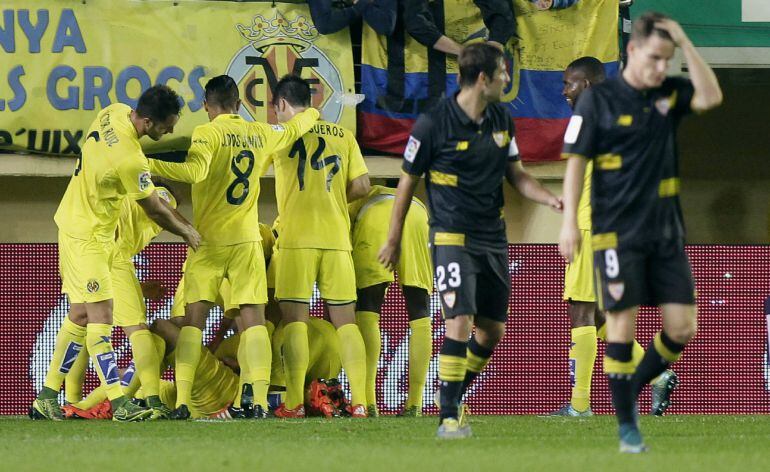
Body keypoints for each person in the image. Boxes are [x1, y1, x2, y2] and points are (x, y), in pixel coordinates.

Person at [379, 43, 562, 439]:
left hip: (492, 237)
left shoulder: (500, 118)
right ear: (484, 78)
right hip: (451, 234)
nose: (508, 79)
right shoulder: (433, 124)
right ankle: (447, 418)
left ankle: (453, 393)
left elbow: (517, 174)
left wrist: (547, 196)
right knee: (459, 319)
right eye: (504, 72)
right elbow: (407, 182)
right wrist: (392, 239)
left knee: (492, 329)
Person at [559, 13, 722, 453]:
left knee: (682, 327)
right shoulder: (600, 101)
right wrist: (568, 223)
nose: (658, 69)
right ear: (631, 51)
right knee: (618, 324)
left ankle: (630, 388)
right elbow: (575, 162)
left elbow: (711, 95)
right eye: (653, 59)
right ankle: (627, 427)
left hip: (667, 232)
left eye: (665, 61)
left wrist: (686, 43)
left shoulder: (668, 92)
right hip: (617, 233)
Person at [148, 75, 320, 419]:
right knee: (254, 323)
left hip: (208, 242)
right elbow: (292, 130)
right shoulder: (259, 132)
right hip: (246, 242)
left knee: (193, 323)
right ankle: (256, 402)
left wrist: (148, 165)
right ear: (239, 104)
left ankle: (182, 402)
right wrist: (312, 112)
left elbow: (194, 171)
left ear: (207, 106)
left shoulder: (207, 132)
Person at [30, 85, 201, 422]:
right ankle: (120, 403)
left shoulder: (114, 111)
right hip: (89, 237)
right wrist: (188, 231)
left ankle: (47, 396)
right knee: (100, 319)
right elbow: (154, 209)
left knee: (80, 315)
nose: (171, 130)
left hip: (76, 222)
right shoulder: (130, 158)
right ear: (149, 122)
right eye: (168, 124)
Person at [551, 57, 677, 418]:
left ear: (587, 85)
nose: (564, 92)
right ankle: (657, 375)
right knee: (602, 314)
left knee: (581, 310)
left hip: (592, 228)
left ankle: (579, 405)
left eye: (569, 84)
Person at [264, 74, 371, 418]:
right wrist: (335, 199)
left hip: (296, 239)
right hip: (337, 239)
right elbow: (363, 184)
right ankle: (360, 402)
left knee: (295, 320)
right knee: (346, 322)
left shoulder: (281, 135)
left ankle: (294, 401)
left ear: (281, 105)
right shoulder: (344, 135)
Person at [62, 183, 181, 419]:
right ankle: (153, 400)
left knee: (83, 323)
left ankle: (71, 401)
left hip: (80, 251)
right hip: (111, 254)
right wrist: (188, 230)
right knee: (139, 330)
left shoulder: (121, 196)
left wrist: (141, 289)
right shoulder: (159, 192)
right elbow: (163, 204)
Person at [348, 183, 433, 416]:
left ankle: (368, 402)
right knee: (420, 310)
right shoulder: (417, 199)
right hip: (417, 216)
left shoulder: (356, 200)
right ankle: (415, 404)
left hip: (374, 219)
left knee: (368, 308)